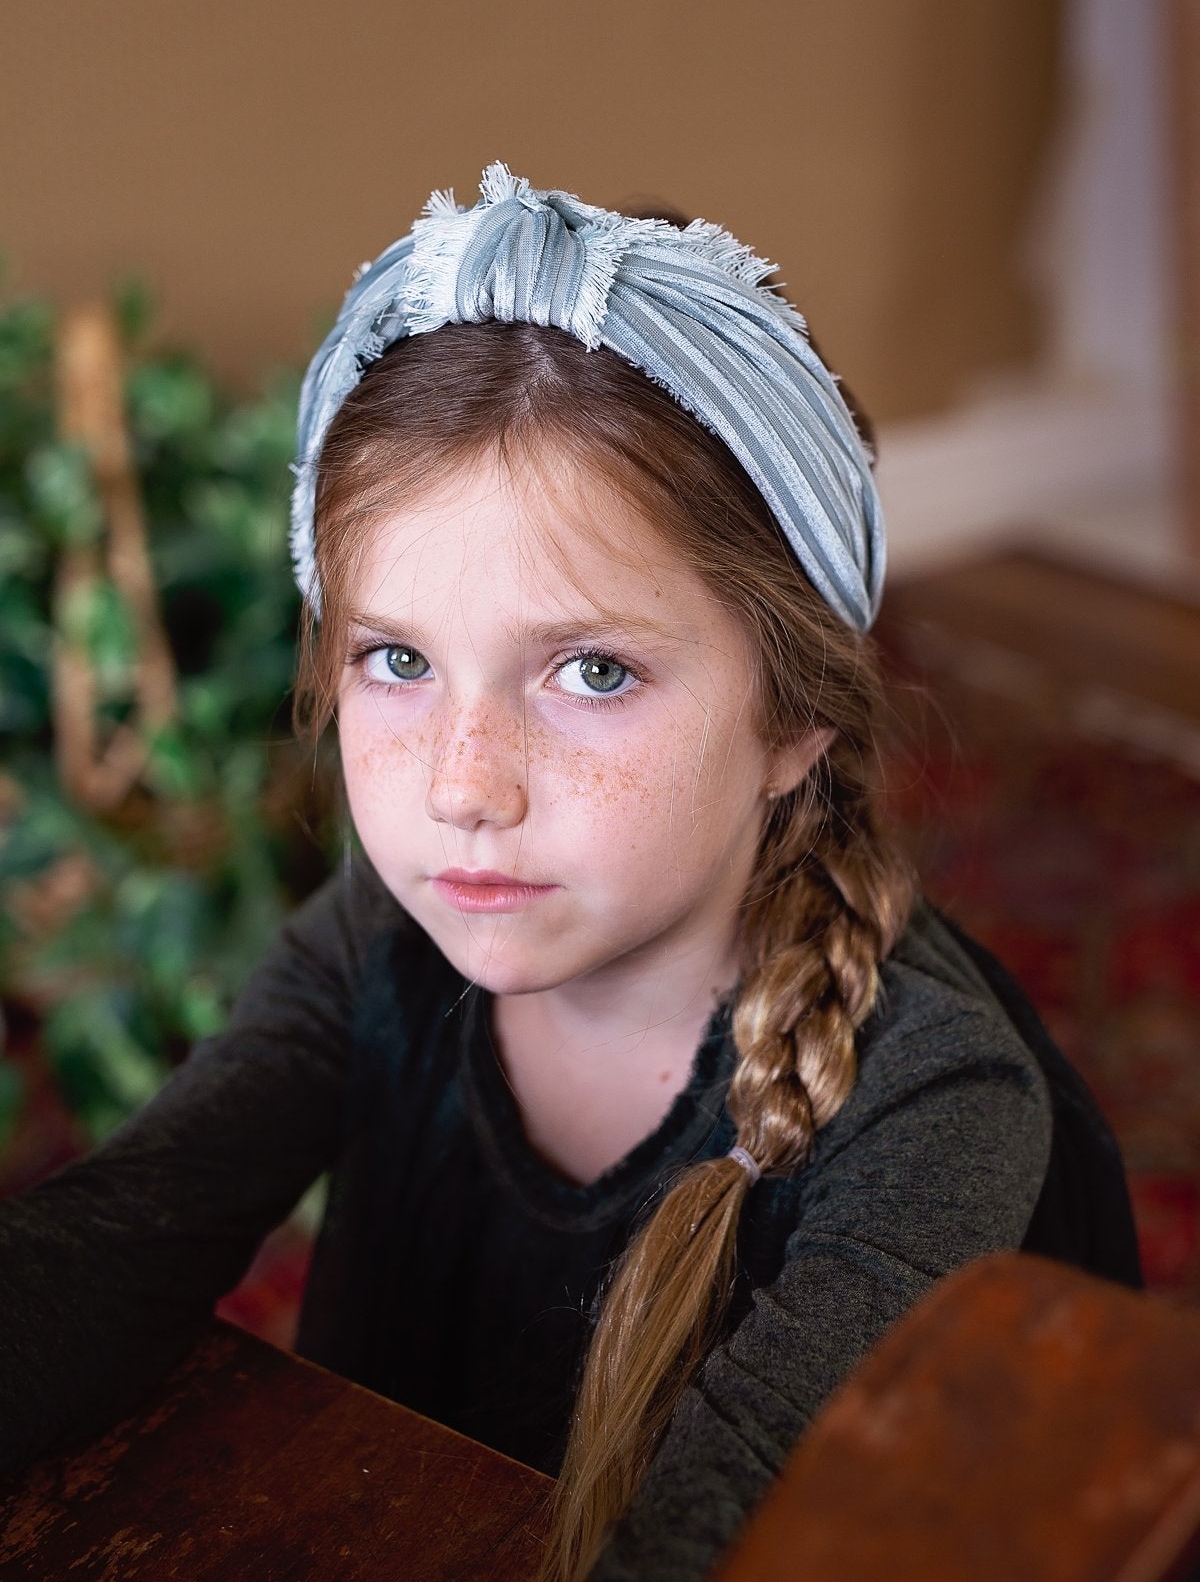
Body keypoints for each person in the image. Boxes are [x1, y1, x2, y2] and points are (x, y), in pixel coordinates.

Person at [0, 163, 1141, 1579]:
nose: (463, 786)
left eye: (592, 671)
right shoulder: (377, 938)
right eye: (397, 659)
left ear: (794, 721)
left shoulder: (934, 1111)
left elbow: (727, 1537)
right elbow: (130, 1232)